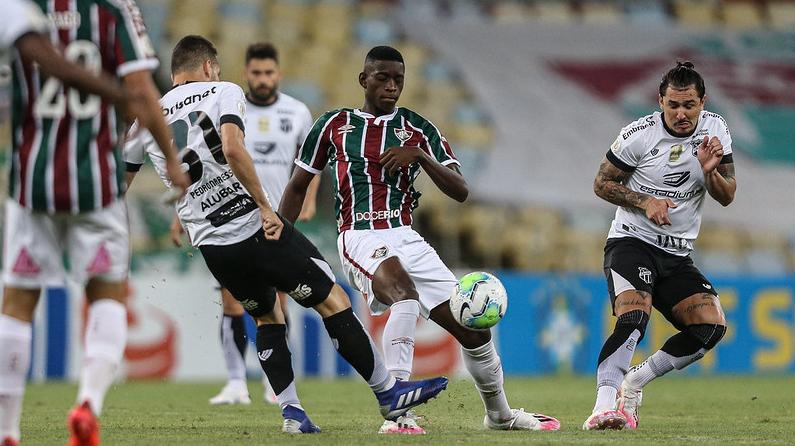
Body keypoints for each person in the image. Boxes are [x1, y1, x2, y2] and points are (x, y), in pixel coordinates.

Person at [124, 35, 448, 434]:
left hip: (213, 245)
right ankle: (387, 392)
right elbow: (232, 147)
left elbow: (119, 185)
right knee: (332, 299)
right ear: (208, 67)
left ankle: (292, 413)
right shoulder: (223, 90)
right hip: (252, 226)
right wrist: (263, 205)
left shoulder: (144, 119)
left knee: (265, 315)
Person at [279, 45, 561, 435]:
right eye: (383, 77)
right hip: (360, 234)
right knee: (404, 294)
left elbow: (461, 190)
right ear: (364, 79)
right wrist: (278, 243)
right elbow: (297, 187)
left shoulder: (418, 129)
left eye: (399, 79)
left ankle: (500, 416)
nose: (392, 86)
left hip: (406, 236)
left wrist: (420, 157)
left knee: (473, 326)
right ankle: (398, 414)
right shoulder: (333, 124)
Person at [0, 1, 189, 445]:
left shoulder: (18, 6)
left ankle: (7, 431)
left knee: (18, 303)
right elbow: (141, 88)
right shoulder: (114, 9)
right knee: (107, 294)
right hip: (97, 182)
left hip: (32, 181)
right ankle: (88, 403)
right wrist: (173, 161)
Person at [584, 61, 735, 431]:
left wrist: (710, 171)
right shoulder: (639, 134)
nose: (681, 114)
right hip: (632, 241)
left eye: (689, 105)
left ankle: (634, 383)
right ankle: (603, 407)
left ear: (703, 102)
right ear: (660, 101)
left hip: (677, 254)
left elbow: (727, 195)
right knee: (634, 317)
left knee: (710, 327)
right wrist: (643, 201)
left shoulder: (716, 130)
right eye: (673, 105)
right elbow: (601, 184)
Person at [167, 42, 321, 407]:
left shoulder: (297, 112)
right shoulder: (224, 102)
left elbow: (311, 160)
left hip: (276, 215)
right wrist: (180, 213)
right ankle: (236, 381)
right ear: (247, 73)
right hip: (230, 217)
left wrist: (310, 200)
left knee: (279, 300)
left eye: (269, 73)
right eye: (256, 73)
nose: (263, 79)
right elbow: (199, 163)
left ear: (278, 74)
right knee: (232, 301)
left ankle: (276, 384)